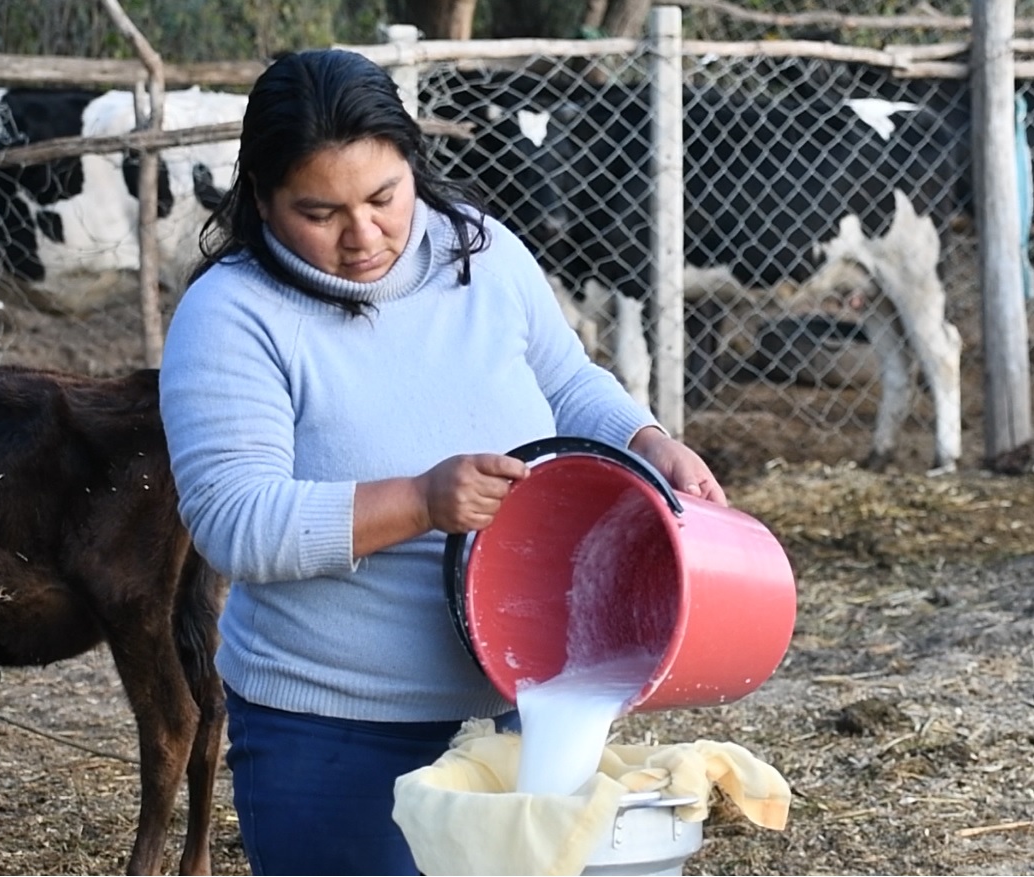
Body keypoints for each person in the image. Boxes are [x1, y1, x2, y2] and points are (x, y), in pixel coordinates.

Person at [158, 47, 728, 876]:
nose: (362, 236)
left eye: (383, 197)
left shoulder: (482, 253)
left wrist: (645, 441)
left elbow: (567, 381)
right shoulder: (232, 313)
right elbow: (234, 522)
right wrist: (421, 502)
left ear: (413, 166)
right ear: (261, 200)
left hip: (520, 706)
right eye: (319, 212)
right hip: (335, 730)